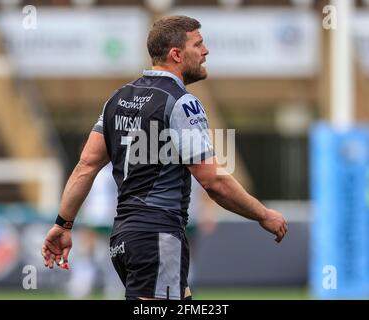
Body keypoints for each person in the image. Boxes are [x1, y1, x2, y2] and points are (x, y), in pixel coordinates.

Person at [41, 15, 288, 300]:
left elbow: (87, 165)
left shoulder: (118, 98)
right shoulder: (182, 102)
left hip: (124, 237)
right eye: (199, 44)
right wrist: (263, 214)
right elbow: (213, 182)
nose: (206, 51)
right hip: (157, 237)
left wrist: (62, 224)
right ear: (176, 54)